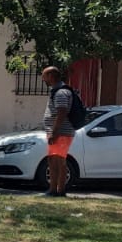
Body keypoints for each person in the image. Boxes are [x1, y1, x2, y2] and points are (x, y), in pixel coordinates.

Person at [40, 66, 78, 197]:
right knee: (52, 160)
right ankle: (53, 189)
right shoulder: (57, 90)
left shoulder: (61, 92)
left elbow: (61, 113)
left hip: (61, 133)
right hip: (58, 132)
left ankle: (59, 191)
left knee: (59, 161)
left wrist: (54, 132)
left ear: (51, 76)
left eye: (44, 75)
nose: (42, 78)